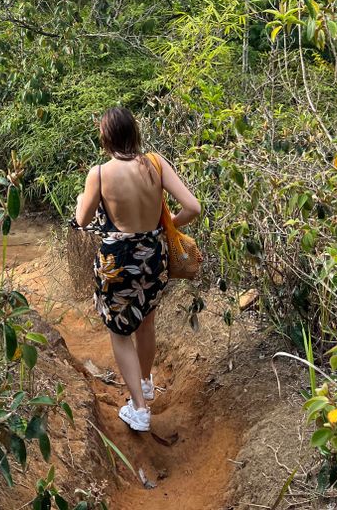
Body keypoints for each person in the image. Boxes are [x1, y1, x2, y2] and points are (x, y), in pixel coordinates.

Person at [75, 106, 200, 432]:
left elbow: (82, 220)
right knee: (146, 321)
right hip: (153, 255)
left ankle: (140, 409)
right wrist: (168, 224)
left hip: (118, 260)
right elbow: (193, 207)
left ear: (105, 137)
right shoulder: (156, 164)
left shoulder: (100, 174)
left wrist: (80, 201)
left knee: (119, 332)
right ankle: (144, 382)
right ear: (134, 131)